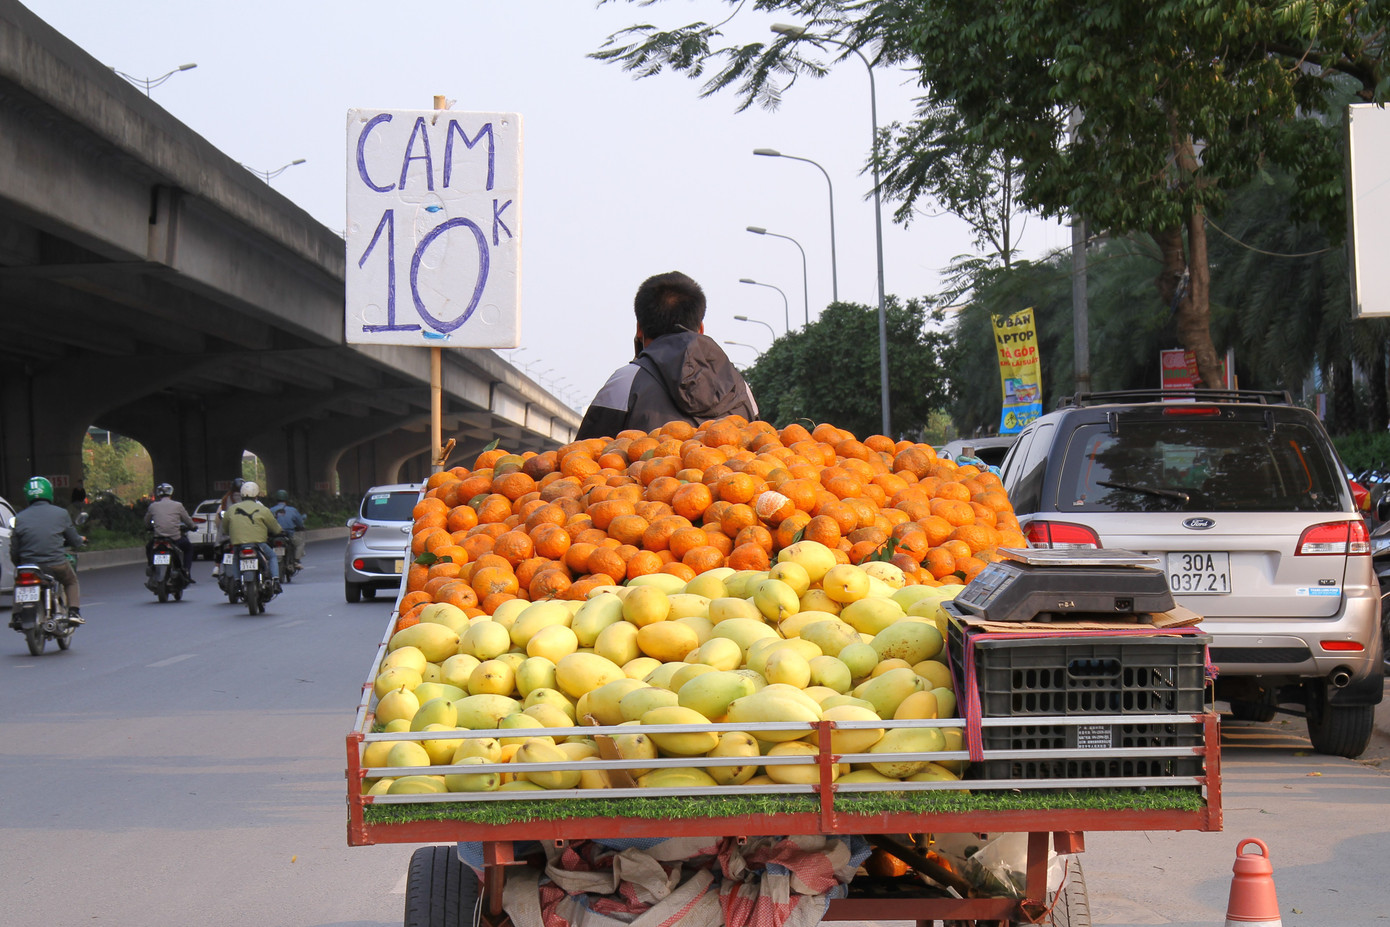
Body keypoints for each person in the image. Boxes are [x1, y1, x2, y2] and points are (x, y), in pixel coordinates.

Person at [576, 271, 758, 440]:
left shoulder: (625, 382)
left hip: (643, 475)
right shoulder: (739, 386)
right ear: (700, 329)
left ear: (639, 329)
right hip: (730, 476)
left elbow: (582, 456)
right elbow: (762, 448)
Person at [9, 476, 85, 624]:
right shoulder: (61, 513)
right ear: (49, 492)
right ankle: (74, 612)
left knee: (19, 582)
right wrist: (80, 540)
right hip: (55, 564)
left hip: (29, 565)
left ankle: (17, 615)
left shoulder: (20, 518)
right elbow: (75, 540)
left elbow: (15, 549)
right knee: (71, 581)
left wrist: (20, 564)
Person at [223, 480, 283, 587]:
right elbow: (275, 527)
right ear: (256, 495)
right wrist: (278, 532)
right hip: (259, 544)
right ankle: (276, 581)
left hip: (238, 544)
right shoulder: (263, 509)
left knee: (236, 558)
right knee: (273, 556)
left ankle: (237, 581)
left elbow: (225, 528)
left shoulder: (232, 509)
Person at [145, 482, 195, 583]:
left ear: (159, 494)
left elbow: (146, 521)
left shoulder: (153, 506)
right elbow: (187, 520)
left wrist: (149, 527)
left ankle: (151, 566)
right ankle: (186, 571)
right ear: (171, 493)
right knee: (188, 548)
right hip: (175, 539)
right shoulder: (178, 505)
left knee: (148, 547)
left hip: (158, 539)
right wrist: (193, 527)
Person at [211, 478, 244, 579]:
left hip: (226, 532)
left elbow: (219, 517)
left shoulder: (226, 498)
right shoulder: (247, 498)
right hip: (243, 531)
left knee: (219, 542)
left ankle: (217, 566)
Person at [269, 490, 307, 567]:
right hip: (289, 535)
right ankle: (296, 561)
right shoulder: (292, 510)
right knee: (300, 543)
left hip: (274, 536)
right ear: (286, 499)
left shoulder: (270, 510)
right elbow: (299, 523)